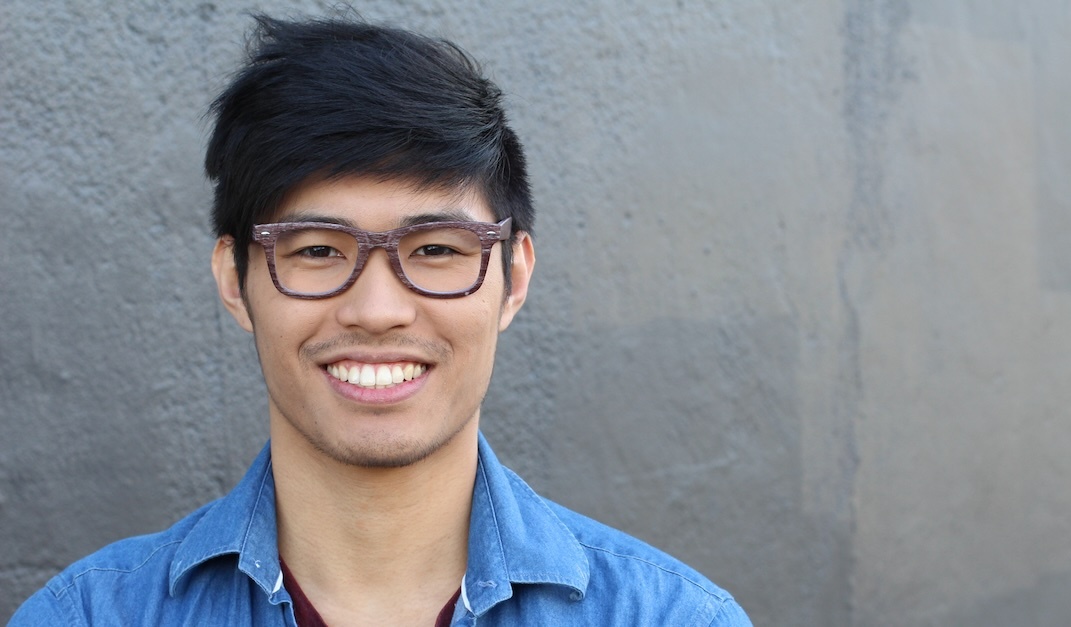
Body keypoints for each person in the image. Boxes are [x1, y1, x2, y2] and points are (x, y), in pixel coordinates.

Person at [10, 12, 751, 627]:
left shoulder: (670, 615)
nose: (376, 310)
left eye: (434, 249)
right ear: (233, 283)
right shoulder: (89, 614)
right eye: (317, 250)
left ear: (514, 276)